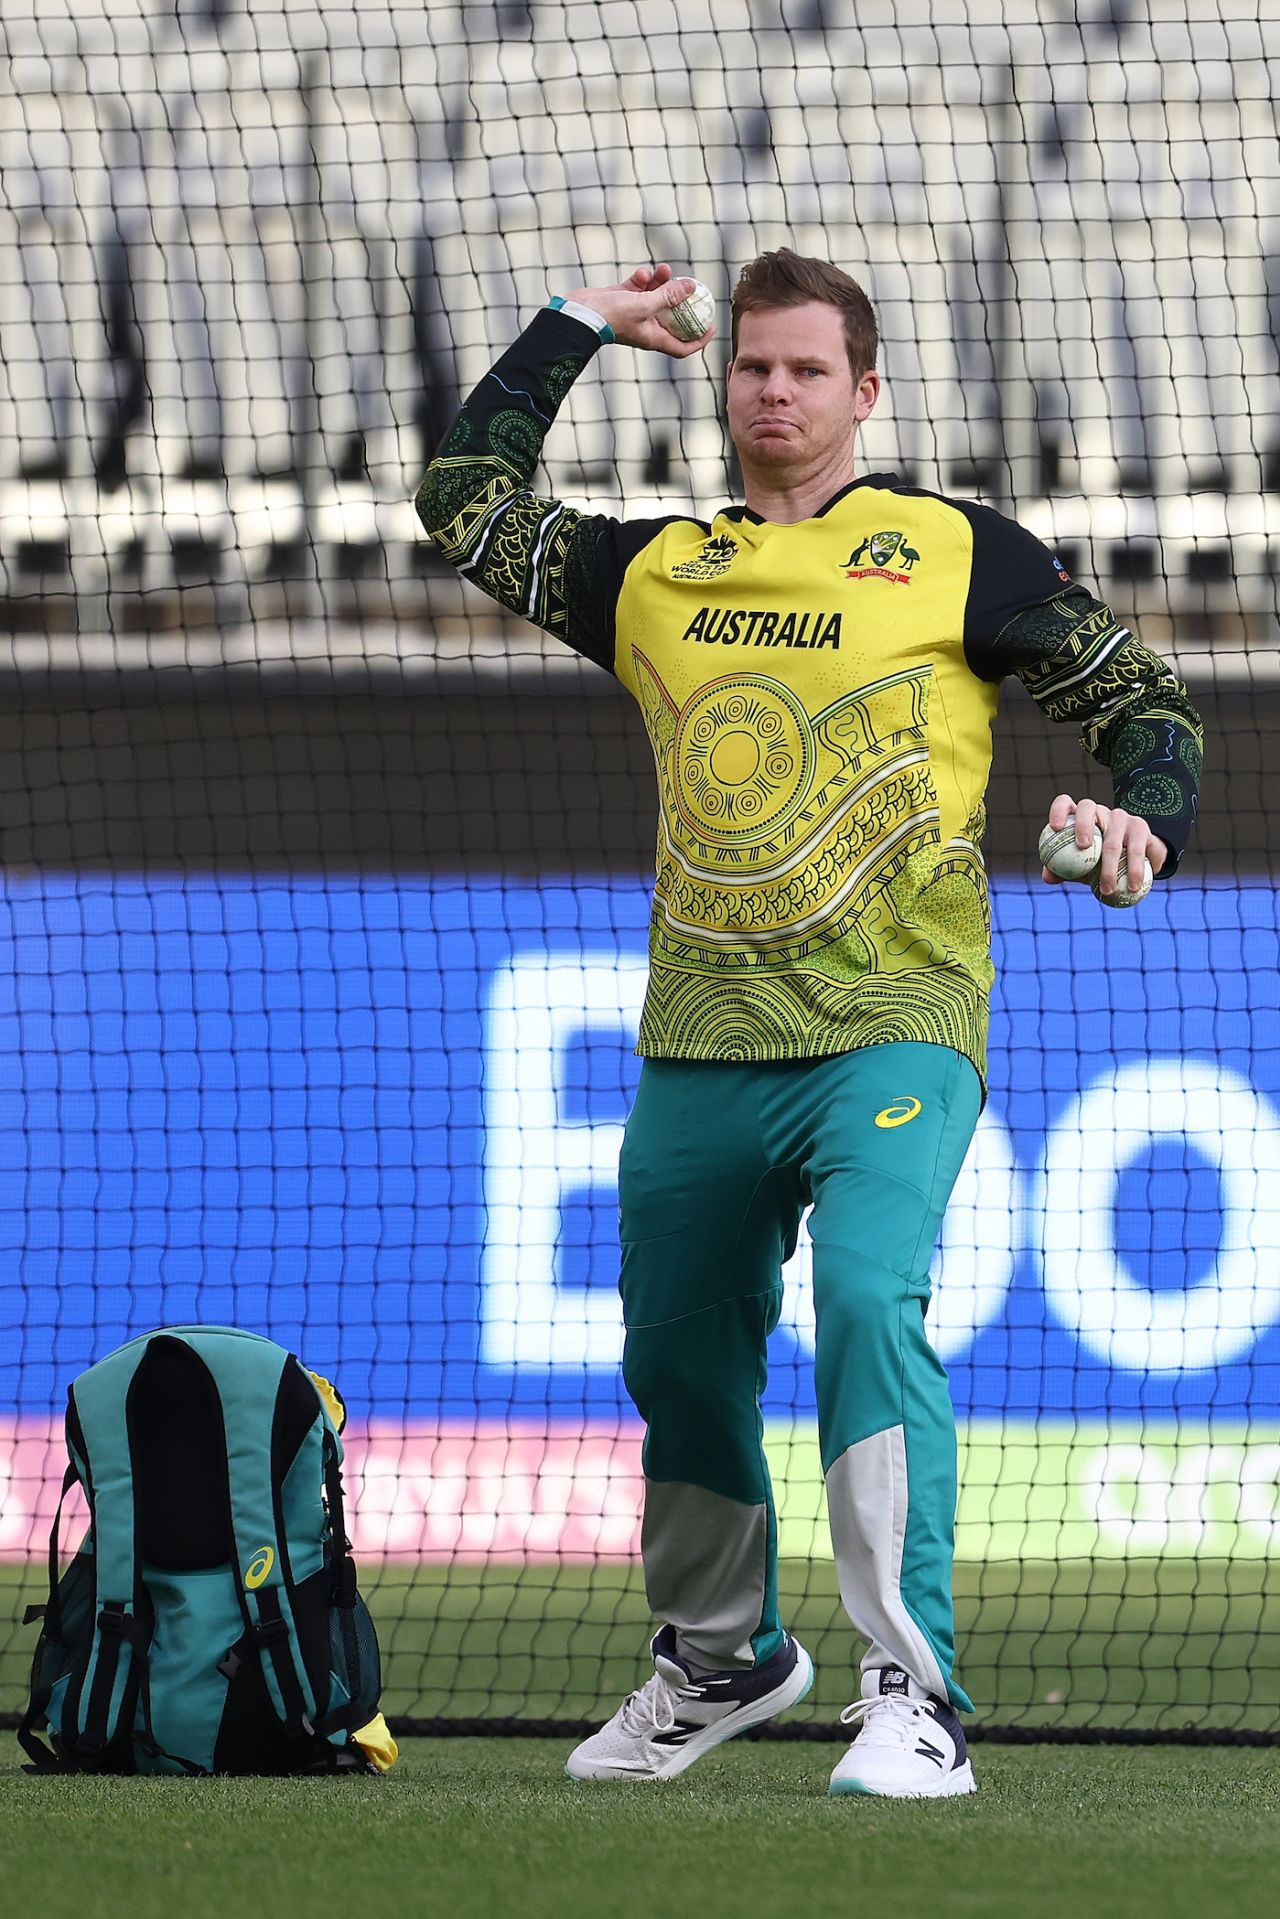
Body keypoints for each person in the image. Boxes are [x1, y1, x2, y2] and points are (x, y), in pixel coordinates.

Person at [415, 250, 1203, 1797]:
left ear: (866, 390)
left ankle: (915, 1702)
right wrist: (580, 323)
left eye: (805, 370)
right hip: (702, 1039)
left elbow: (1146, 701)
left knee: (865, 1304)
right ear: (723, 385)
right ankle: (719, 1657)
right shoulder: (656, 571)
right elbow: (465, 502)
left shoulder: (955, 550)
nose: (773, 391)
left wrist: (1139, 822)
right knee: (676, 1355)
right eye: (750, 367)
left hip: (896, 1025)